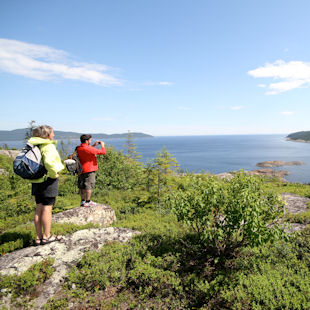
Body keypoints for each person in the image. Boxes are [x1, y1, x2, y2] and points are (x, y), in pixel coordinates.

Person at [29, 125, 65, 246]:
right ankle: (47, 236)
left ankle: (39, 237)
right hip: (47, 180)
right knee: (47, 208)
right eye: (52, 133)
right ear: (47, 135)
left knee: (38, 207)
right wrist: (54, 175)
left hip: (36, 180)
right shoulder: (48, 146)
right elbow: (49, 163)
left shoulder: (35, 145)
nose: (54, 135)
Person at [76, 134, 106, 207]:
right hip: (89, 169)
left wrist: (93, 145)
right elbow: (103, 152)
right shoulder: (89, 149)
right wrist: (102, 145)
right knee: (89, 185)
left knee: (82, 185)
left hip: (81, 169)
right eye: (90, 140)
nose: (91, 141)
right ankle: (88, 201)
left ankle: (82, 201)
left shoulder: (79, 148)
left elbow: (87, 150)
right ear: (86, 141)